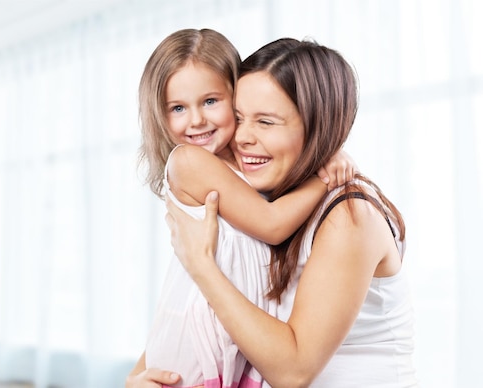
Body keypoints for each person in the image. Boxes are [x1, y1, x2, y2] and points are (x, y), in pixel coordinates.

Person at [163, 38, 418, 387]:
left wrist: (201, 265)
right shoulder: (270, 203)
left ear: (318, 126)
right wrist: (140, 375)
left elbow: (293, 372)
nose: (242, 138)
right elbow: (195, 307)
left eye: (266, 122)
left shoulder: (349, 215)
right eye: (238, 118)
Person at [129, 29, 358, 388]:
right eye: (177, 108)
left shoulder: (246, 159)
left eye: (210, 101)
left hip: (236, 342)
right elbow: (271, 224)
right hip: (198, 343)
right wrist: (325, 177)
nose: (196, 120)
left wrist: (326, 151)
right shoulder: (188, 162)